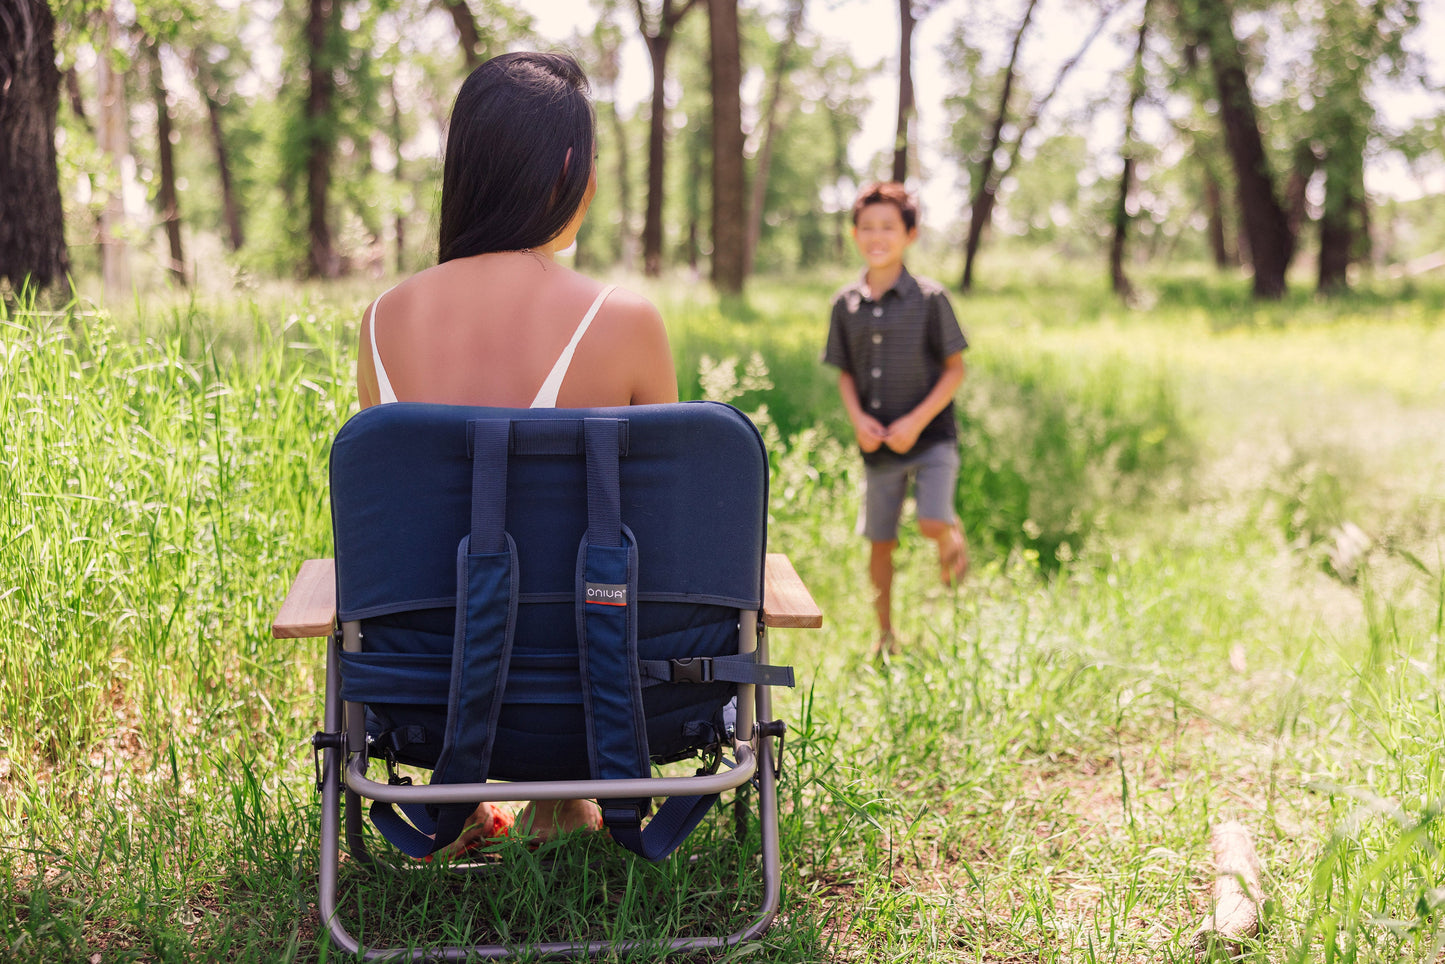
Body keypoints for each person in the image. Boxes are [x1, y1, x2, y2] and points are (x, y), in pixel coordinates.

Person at [355, 51, 677, 854]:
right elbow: (660, 538)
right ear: (572, 174)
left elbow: (406, 540)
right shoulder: (626, 318)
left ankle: (468, 800)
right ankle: (565, 800)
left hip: (429, 705)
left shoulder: (382, 320)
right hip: (605, 701)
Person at [823, 181, 969, 657]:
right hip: (878, 444)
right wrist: (859, 421)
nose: (876, 235)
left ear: (910, 234)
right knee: (880, 543)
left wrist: (915, 422)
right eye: (867, 227)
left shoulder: (930, 299)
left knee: (930, 523)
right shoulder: (844, 304)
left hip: (931, 439)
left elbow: (955, 370)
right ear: (853, 233)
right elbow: (844, 373)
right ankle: (885, 636)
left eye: (889, 226)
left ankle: (949, 531)